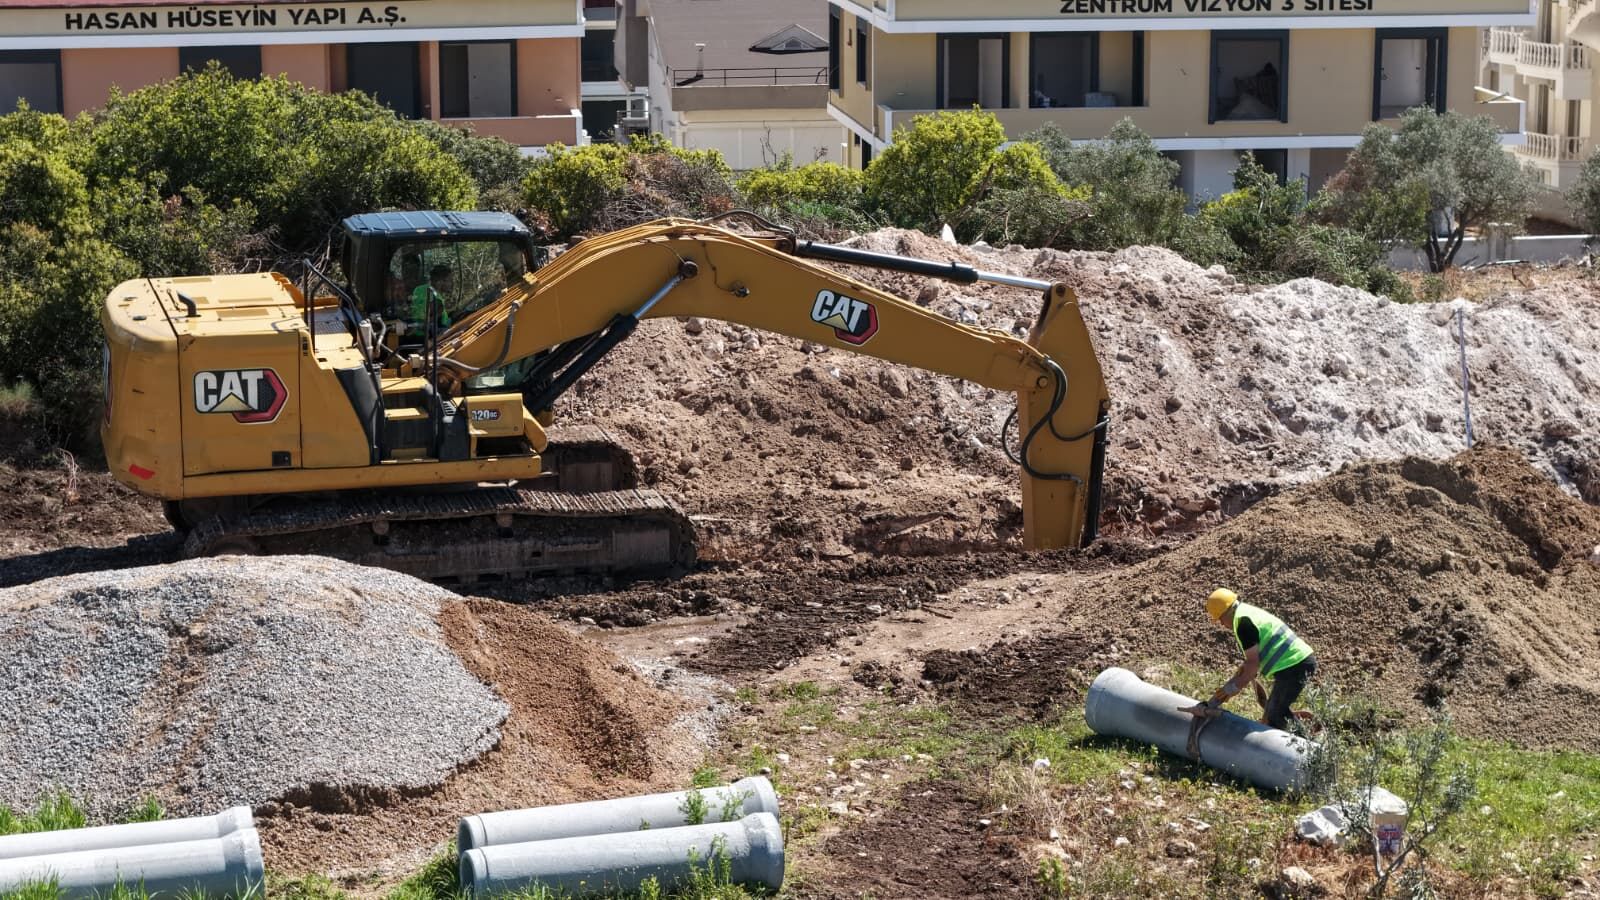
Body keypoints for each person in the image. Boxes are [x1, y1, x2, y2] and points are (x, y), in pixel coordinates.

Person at [1183, 588, 1316, 730]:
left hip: (1294, 665)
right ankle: (1305, 739)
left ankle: (1306, 748)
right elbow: (1252, 661)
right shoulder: (1246, 613)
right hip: (1296, 662)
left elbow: (1253, 665)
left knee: (1274, 714)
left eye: (1220, 619)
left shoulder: (1242, 624)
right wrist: (1243, 672)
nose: (1222, 624)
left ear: (1226, 612)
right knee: (1276, 710)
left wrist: (1232, 687)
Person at [410, 264, 454, 329]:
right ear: (439, 281)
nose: (451, 283)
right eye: (449, 280)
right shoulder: (436, 300)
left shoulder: (418, 289)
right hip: (431, 337)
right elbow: (428, 322)